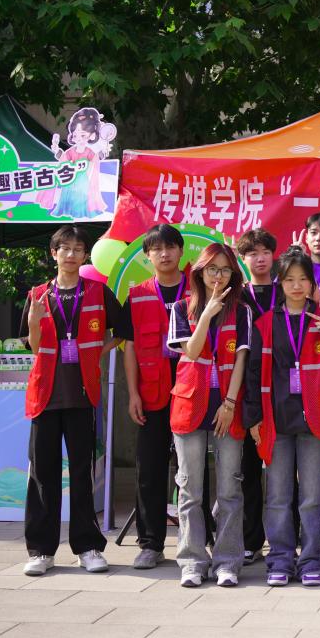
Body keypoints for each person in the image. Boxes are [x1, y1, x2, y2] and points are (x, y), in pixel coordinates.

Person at [21, 226, 125, 576]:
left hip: (82, 396)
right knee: (43, 475)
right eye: (64, 248)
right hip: (45, 397)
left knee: (82, 475)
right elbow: (35, 347)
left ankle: (88, 547)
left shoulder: (97, 292)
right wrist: (34, 321)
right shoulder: (38, 294)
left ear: (84, 256)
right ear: (53, 253)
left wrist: (97, 352)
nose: (70, 254)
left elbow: (122, 331)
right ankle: (41, 551)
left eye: (77, 249)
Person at [244, 247, 320, 587]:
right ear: (279, 283)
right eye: (289, 280)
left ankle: (311, 559)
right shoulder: (265, 323)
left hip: (315, 418)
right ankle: (280, 559)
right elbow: (253, 373)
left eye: (303, 279)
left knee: (312, 496)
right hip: (277, 419)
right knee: (278, 495)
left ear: (312, 283)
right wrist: (253, 417)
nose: (297, 286)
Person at [167, 243, 251, 588]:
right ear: (200, 273)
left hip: (226, 407)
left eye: (225, 269)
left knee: (230, 488)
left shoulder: (242, 311)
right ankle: (192, 561)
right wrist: (205, 315)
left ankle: (227, 561)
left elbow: (242, 359)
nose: (218, 276)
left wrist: (230, 403)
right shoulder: (179, 308)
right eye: (212, 269)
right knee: (190, 489)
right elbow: (191, 350)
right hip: (190, 404)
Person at [122, 223, 187, 570]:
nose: (164, 254)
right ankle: (150, 543)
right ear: (147, 256)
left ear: (181, 251)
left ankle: (197, 541)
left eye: (170, 247)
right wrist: (133, 393)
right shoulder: (137, 296)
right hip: (151, 393)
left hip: (192, 390)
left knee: (192, 469)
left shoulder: (198, 290)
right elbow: (130, 348)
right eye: (156, 249)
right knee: (149, 468)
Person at [235, 228, 278, 564]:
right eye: (252, 253)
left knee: (284, 470)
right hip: (247, 389)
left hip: (282, 390)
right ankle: (250, 541)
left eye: (265, 252)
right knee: (248, 468)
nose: (260, 258)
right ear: (243, 258)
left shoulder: (288, 290)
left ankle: (285, 540)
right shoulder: (236, 297)